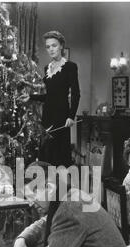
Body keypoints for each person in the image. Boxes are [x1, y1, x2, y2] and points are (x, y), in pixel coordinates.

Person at [19, 31, 80, 167]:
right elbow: (50, 96)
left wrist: (71, 116)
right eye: (48, 47)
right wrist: (31, 97)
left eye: (54, 45)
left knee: (59, 154)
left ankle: (60, 187)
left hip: (62, 116)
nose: (51, 49)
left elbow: (76, 93)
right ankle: (46, 186)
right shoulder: (48, 68)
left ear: (61, 46)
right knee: (46, 152)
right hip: (47, 115)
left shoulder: (70, 67)